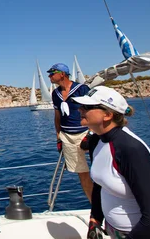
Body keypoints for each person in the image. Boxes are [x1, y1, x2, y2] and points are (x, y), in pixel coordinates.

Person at [74, 86, 150, 239]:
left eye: (87, 107)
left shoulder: (130, 149)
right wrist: (95, 219)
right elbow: (100, 184)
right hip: (116, 231)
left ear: (107, 115)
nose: (80, 110)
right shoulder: (96, 141)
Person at [47, 63, 93, 202]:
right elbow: (57, 116)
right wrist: (58, 137)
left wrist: (91, 133)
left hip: (86, 133)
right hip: (67, 137)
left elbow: (93, 110)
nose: (49, 76)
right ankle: (94, 206)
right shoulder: (55, 94)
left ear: (62, 74)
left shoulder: (82, 89)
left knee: (100, 171)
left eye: (52, 73)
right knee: (82, 173)